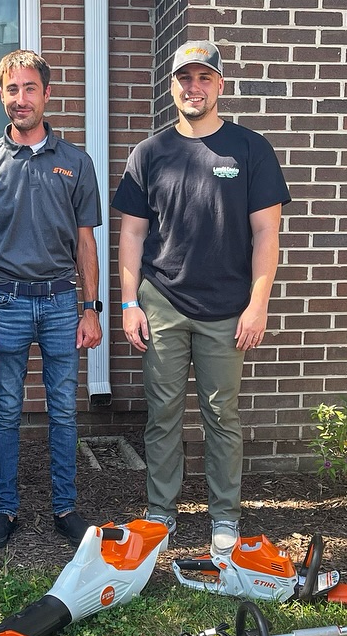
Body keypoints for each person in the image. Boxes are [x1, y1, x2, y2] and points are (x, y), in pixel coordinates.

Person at [111, 39, 290, 555]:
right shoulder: (150, 153)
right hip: (162, 301)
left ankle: (224, 518)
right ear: (173, 86)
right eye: (184, 78)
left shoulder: (251, 150)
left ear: (220, 86)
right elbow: (132, 237)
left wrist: (258, 305)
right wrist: (128, 303)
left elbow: (266, 236)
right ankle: (161, 516)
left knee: (222, 415)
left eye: (203, 78)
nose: (193, 87)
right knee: (162, 413)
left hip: (228, 309)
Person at [0, 50, 103, 549]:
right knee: (7, 410)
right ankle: (6, 509)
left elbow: (86, 242)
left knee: (63, 410)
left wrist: (91, 308)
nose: (21, 99)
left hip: (63, 303)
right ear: (2, 96)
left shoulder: (76, 162)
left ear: (46, 93)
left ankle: (65, 508)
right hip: (8, 304)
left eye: (29, 88)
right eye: (11, 90)